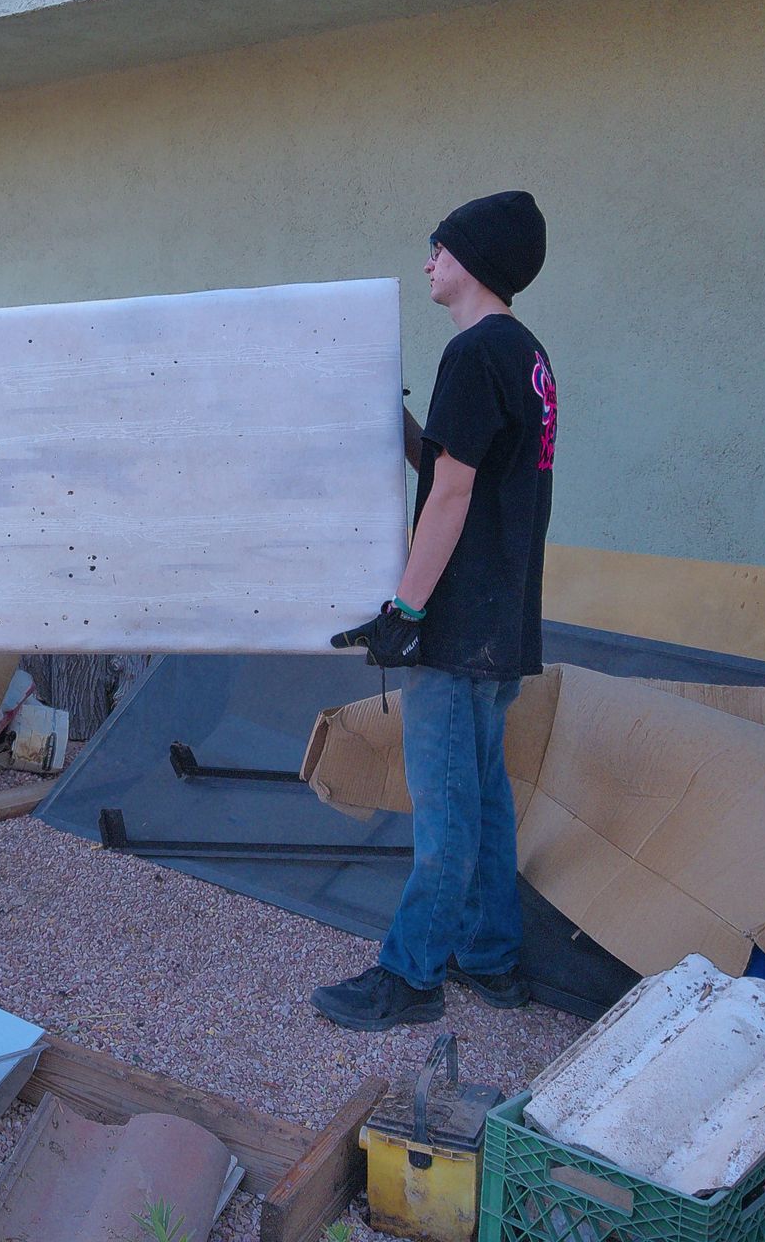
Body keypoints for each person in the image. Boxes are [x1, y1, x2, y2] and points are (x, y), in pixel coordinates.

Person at [313, 191, 557, 1031]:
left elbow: (450, 493)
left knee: (447, 806)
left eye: (439, 248)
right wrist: (401, 427)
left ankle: (410, 975)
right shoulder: (522, 354)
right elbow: (462, 466)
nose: (427, 261)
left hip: (455, 622)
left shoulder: (474, 353)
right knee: (483, 793)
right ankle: (491, 961)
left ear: (474, 260)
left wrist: (406, 608)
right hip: (502, 616)